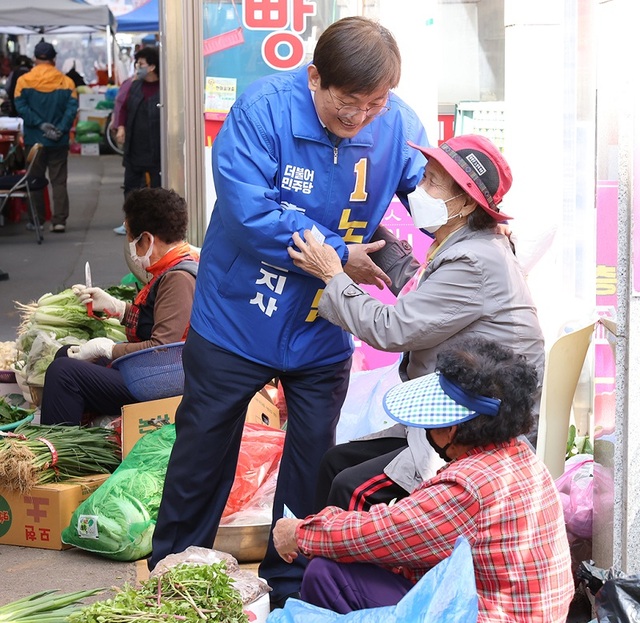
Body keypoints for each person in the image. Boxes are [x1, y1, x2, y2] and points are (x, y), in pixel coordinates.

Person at [149, 16, 429, 609]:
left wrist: (472, 230)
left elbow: (426, 193)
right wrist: (338, 253)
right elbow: (250, 213)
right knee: (203, 452)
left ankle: (289, 591)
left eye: (374, 104)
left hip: (322, 329)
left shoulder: (397, 122)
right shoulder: (262, 112)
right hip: (236, 319)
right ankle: (171, 578)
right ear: (314, 79)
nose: (361, 118)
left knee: (310, 463)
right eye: (348, 104)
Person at [287, 134, 545, 512]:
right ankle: (319, 570)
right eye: (422, 178)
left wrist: (332, 275)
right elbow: (417, 282)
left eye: (431, 183)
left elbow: (389, 329)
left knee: (349, 486)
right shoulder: (468, 243)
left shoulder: (474, 260)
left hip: (474, 428)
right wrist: (363, 230)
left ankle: (341, 568)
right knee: (335, 461)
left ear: (464, 202)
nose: (419, 191)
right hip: (451, 414)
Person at [272, 337, 575, 622]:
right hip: (519, 608)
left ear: (453, 429)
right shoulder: (520, 455)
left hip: (490, 613)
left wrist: (299, 533)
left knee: (324, 574)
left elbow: (381, 532)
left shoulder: (467, 486)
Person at [40, 188, 199, 426]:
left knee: (64, 373)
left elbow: (161, 349)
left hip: (161, 382)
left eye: (132, 240)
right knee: (66, 354)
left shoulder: (178, 278)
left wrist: (109, 350)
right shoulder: (177, 264)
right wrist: (118, 308)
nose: (132, 251)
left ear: (147, 239)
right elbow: (157, 321)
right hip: (155, 373)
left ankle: (63, 455)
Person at [14, 39, 78, 233]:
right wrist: (59, 128)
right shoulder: (67, 82)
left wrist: (41, 125)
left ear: (35, 59)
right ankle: (59, 221)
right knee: (59, 180)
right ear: (54, 59)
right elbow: (72, 108)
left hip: (35, 140)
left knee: (34, 180)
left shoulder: (23, 81)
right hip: (59, 140)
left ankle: (37, 220)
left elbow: (21, 107)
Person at [112, 46, 161, 236]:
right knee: (131, 187)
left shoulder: (164, 87)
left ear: (152, 67)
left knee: (157, 189)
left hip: (157, 146)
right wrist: (121, 127)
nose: (137, 67)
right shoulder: (134, 86)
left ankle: (156, 226)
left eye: (140, 64)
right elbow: (123, 108)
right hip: (135, 144)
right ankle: (130, 223)